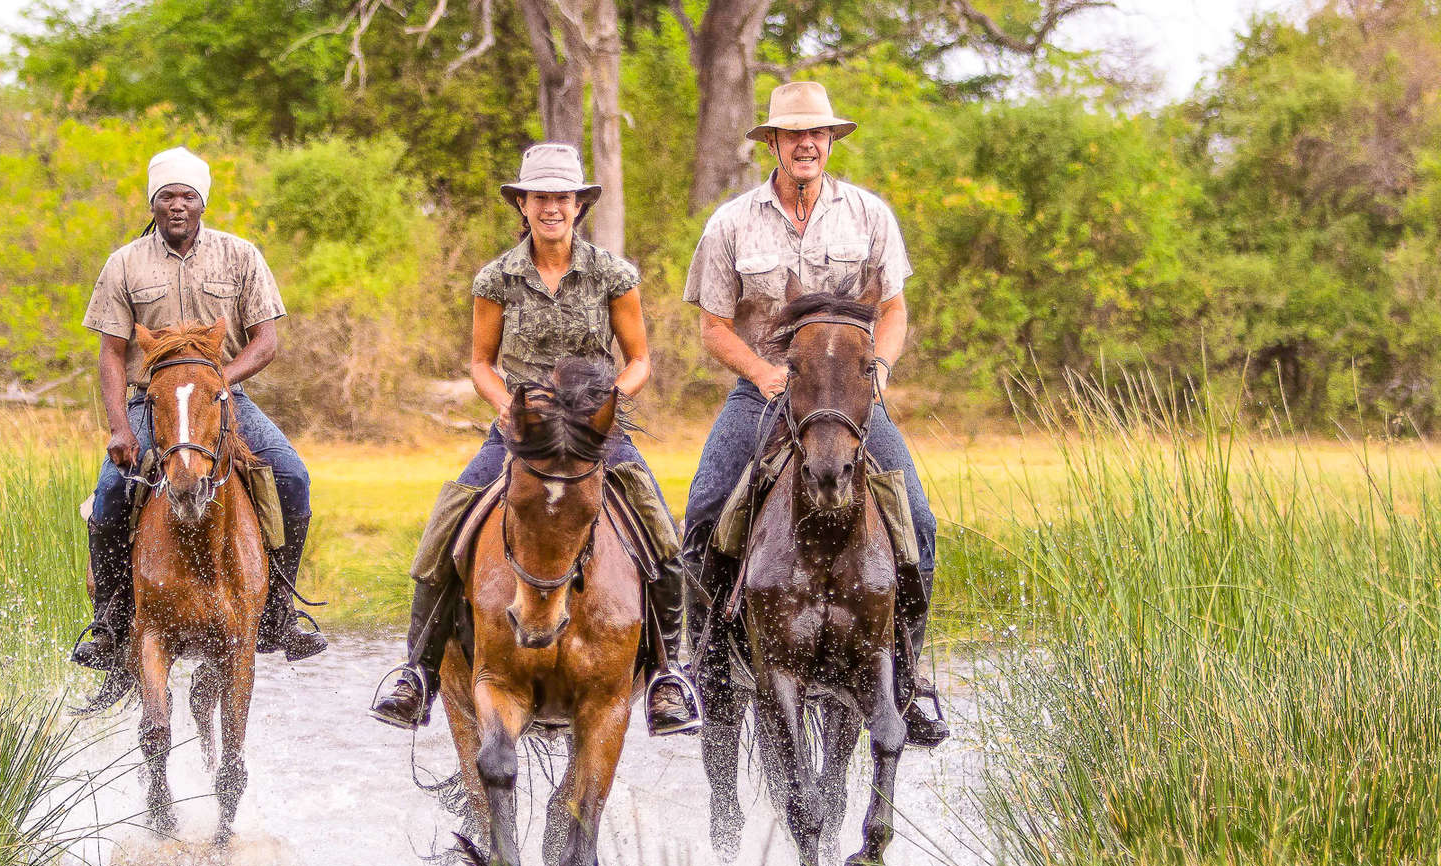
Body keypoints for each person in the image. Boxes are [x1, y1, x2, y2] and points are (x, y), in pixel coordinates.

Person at [369, 143, 699, 737]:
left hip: (594, 431)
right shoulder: (495, 278)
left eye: (563, 198)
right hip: (521, 430)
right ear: (523, 204)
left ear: (578, 205)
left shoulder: (613, 275)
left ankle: (670, 673)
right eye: (541, 197)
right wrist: (507, 409)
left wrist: (608, 403)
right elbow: (480, 362)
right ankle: (415, 669)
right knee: (451, 517)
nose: (552, 207)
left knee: (659, 530)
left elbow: (641, 359)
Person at [680, 82, 949, 745]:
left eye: (818, 134)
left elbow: (894, 309)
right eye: (794, 134)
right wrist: (765, 372)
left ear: (831, 141)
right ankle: (700, 666)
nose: (807, 144)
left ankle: (909, 681)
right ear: (771, 142)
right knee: (705, 509)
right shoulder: (732, 223)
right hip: (764, 395)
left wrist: (877, 371)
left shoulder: (869, 214)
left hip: (849, 401)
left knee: (918, 519)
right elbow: (714, 328)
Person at [74, 146, 326, 689]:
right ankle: (111, 620)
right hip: (153, 402)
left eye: (188, 196)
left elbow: (267, 341)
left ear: (203, 202)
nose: (178, 206)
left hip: (224, 397)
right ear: (153, 202)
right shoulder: (125, 263)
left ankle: (280, 611)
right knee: (112, 488)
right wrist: (120, 426)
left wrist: (219, 382)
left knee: (292, 477)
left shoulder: (240, 256)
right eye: (167, 197)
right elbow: (112, 354)